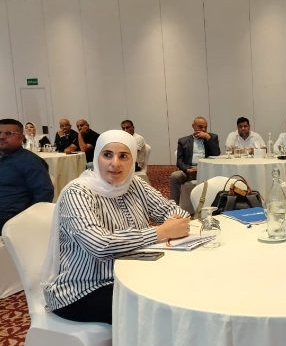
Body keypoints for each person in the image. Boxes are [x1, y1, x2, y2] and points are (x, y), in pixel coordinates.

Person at [42, 130, 191, 325]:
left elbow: (174, 212)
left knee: (185, 290)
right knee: (159, 311)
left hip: (132, 276)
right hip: (83, 288)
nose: (115, 163)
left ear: (133, 159)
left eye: (123, 156)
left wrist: (174, 222)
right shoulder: (78, 192)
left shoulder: (134, 184)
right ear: (97, 157)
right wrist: (161, 231)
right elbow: (100, 245)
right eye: (107, 155)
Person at [0, 118, 54, 231]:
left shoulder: (31, 162)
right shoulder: (2, 157)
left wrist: (26, 221)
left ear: (21, 138)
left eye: (8, 133)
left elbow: (44, 194)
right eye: (0, 133)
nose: (2, 137)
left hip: (10, 220)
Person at [169, 117, 220, 204]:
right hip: (190, 170)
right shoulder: (183, 141)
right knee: (175, 176)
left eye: (205, 127)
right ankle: (173, 205)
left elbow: (216, 154)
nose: (203, 129)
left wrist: (207, 137)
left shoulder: (212, 137)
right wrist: (186, 169)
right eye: (200, 127)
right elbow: (179, 161)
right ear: (193, 126)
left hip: (206, 170)